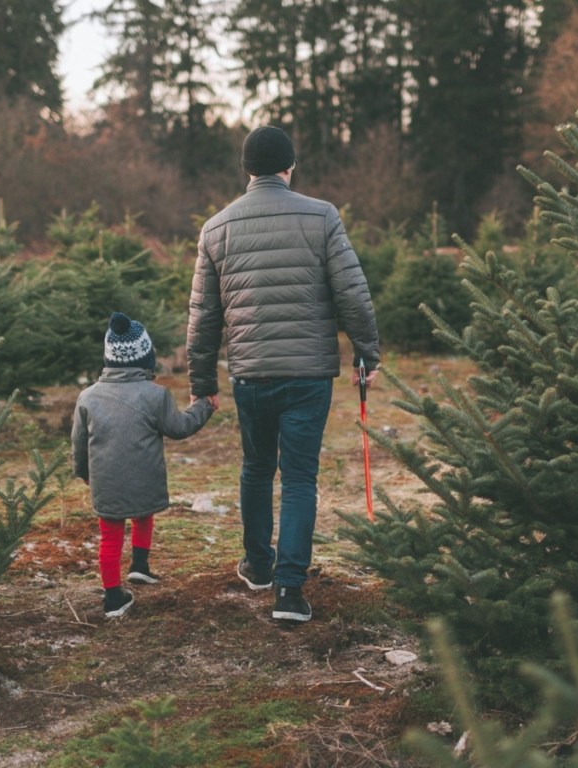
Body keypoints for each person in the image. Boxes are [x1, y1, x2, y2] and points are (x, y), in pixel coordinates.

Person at [187, 125, 380, 623]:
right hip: (308, 374)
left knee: (255, 468)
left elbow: (203, 317)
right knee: (299, 479)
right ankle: (290, 593)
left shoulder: (216, 228)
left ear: (247, 170)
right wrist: (367, 354)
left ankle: (257, 566)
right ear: (289, 167)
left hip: (250, 374)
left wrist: (202, 384)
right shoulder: (322, 217)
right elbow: (353, 294)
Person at [73, 312, 215, 618]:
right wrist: (203, 406)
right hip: (145, 478)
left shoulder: (87, 397)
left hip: (106, 481)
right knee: (143, 514)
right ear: (145, 357)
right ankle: (140, 565)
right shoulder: (155, 395)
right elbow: (179, 427)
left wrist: (85, 474)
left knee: (110, 536)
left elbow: (79, 443)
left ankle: (113, 596)